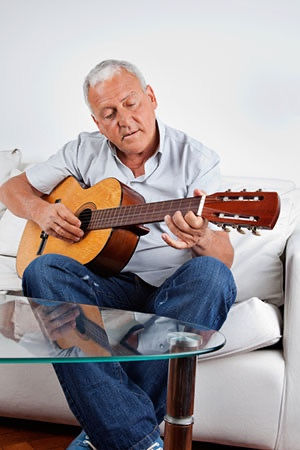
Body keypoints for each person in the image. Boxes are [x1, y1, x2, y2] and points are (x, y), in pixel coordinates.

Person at [0, 59, 237, 450]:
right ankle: (136, 439)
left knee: (213, 276)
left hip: (169, 294)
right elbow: (12, 189)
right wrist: (42, 211)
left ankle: (110, 435)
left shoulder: (197, 160)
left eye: (131, 104)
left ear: (151, 97)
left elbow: (223, 257)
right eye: (109, 113)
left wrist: (202, 235)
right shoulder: (82, 150)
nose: (124, 120)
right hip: (103, 287)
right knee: (42, 270)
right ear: (96, 122)